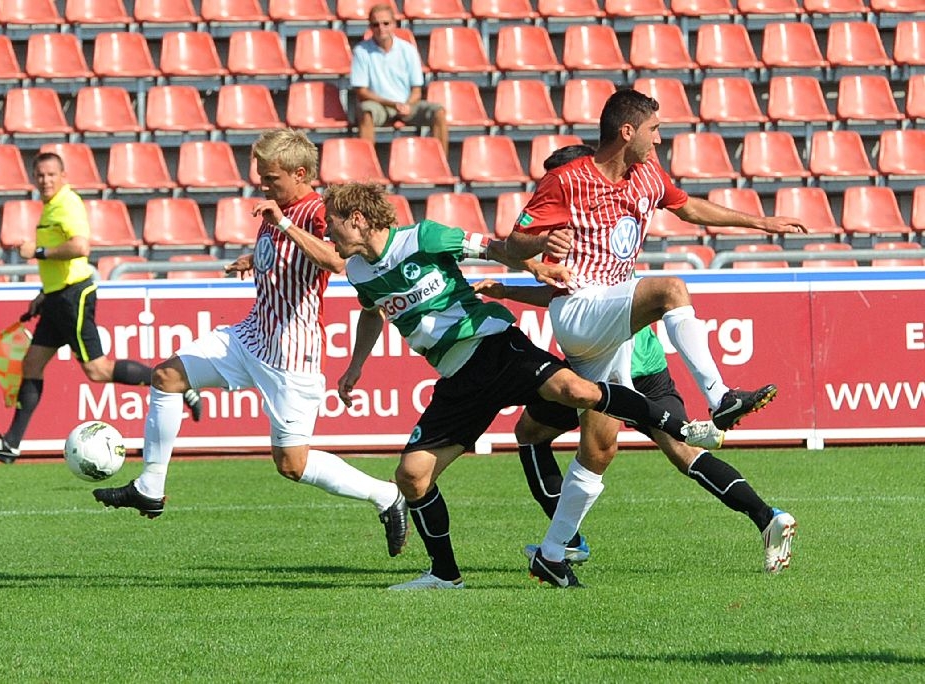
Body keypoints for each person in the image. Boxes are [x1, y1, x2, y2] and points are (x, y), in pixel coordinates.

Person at [322, 180, 723, 590]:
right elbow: (371, 312)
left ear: (357, 219)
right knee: (412, 476)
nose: (326, 233)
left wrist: (535, 267)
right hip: (458, 379)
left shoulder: (422, 237)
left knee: (579, 392)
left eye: (330, 223)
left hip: (495, 347)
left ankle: (684, 429)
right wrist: (356, 367)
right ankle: (444, 574)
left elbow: (494, 248)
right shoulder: (357, 270)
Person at [504, 92, 806, 586]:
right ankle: (721, 398)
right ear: (628, 131)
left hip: (613, 331)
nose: (660, 137)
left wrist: (761, 222)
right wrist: (539, 246)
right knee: (669, 288)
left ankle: (554, 553)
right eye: (654, 129)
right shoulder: (567, 179)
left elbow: (690, 210)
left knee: (599, 450)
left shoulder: (647, 176)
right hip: (579, 310)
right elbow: (513, 243)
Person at [90, 129, 410, 559]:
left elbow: (336, 261)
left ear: (300, 174)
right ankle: (150, 487)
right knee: (167, 375)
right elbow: (284, 253)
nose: (262, 184)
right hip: (251, 335)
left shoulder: (317, 210)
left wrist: (282, 222)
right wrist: (254, 259)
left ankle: (386, 496)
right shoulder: (278, 209)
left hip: (290, 353)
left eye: (271, 177)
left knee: (292, 465)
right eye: (260, 175)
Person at [0, 152, 201, 465]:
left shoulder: (68, 203)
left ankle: (176, 382)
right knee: (32, 365)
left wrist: (36, 251)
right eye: (40, 175)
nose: (46, 180)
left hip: (73, 297)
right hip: (57, 297)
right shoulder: (51, 207)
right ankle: (11, 444)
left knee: (98, 370)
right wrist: (44, 294)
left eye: (51, 174)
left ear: (63, 176)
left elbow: (81, 247)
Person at [350, 4, 448, 156]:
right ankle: (367, 167)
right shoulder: (361, 51)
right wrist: (392, 104)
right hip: (379, 106)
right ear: (370, 27)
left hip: (406, 104)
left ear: (394, 24)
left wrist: (407, 105)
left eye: (386, 23)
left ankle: (442, 164)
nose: (381, 28)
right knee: (366, 111)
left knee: (438, 112)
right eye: (376, 24)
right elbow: (361, 91)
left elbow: (416, 89)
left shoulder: (408, 50)